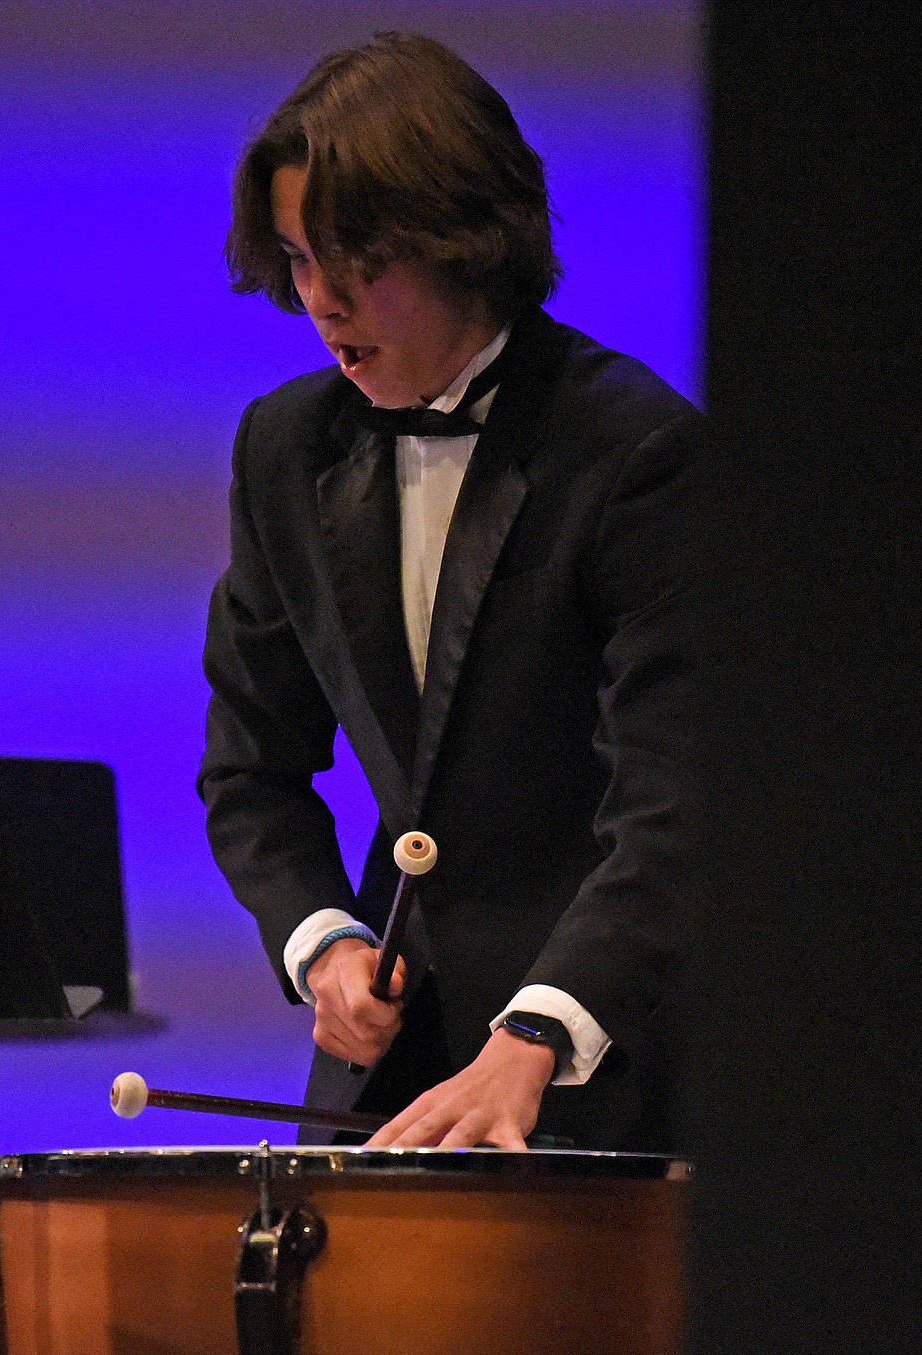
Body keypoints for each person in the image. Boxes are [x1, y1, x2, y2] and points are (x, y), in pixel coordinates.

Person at [197, 31, 703, 1151]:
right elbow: (249, 766)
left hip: (604, 1059)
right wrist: (324, 940)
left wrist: (539, 1026)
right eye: (295, 259)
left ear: (465, 243)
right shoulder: (284, 447)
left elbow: (679, 796)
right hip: (390, 1078)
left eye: (355, 262)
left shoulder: (634, 451)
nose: (320, 301)